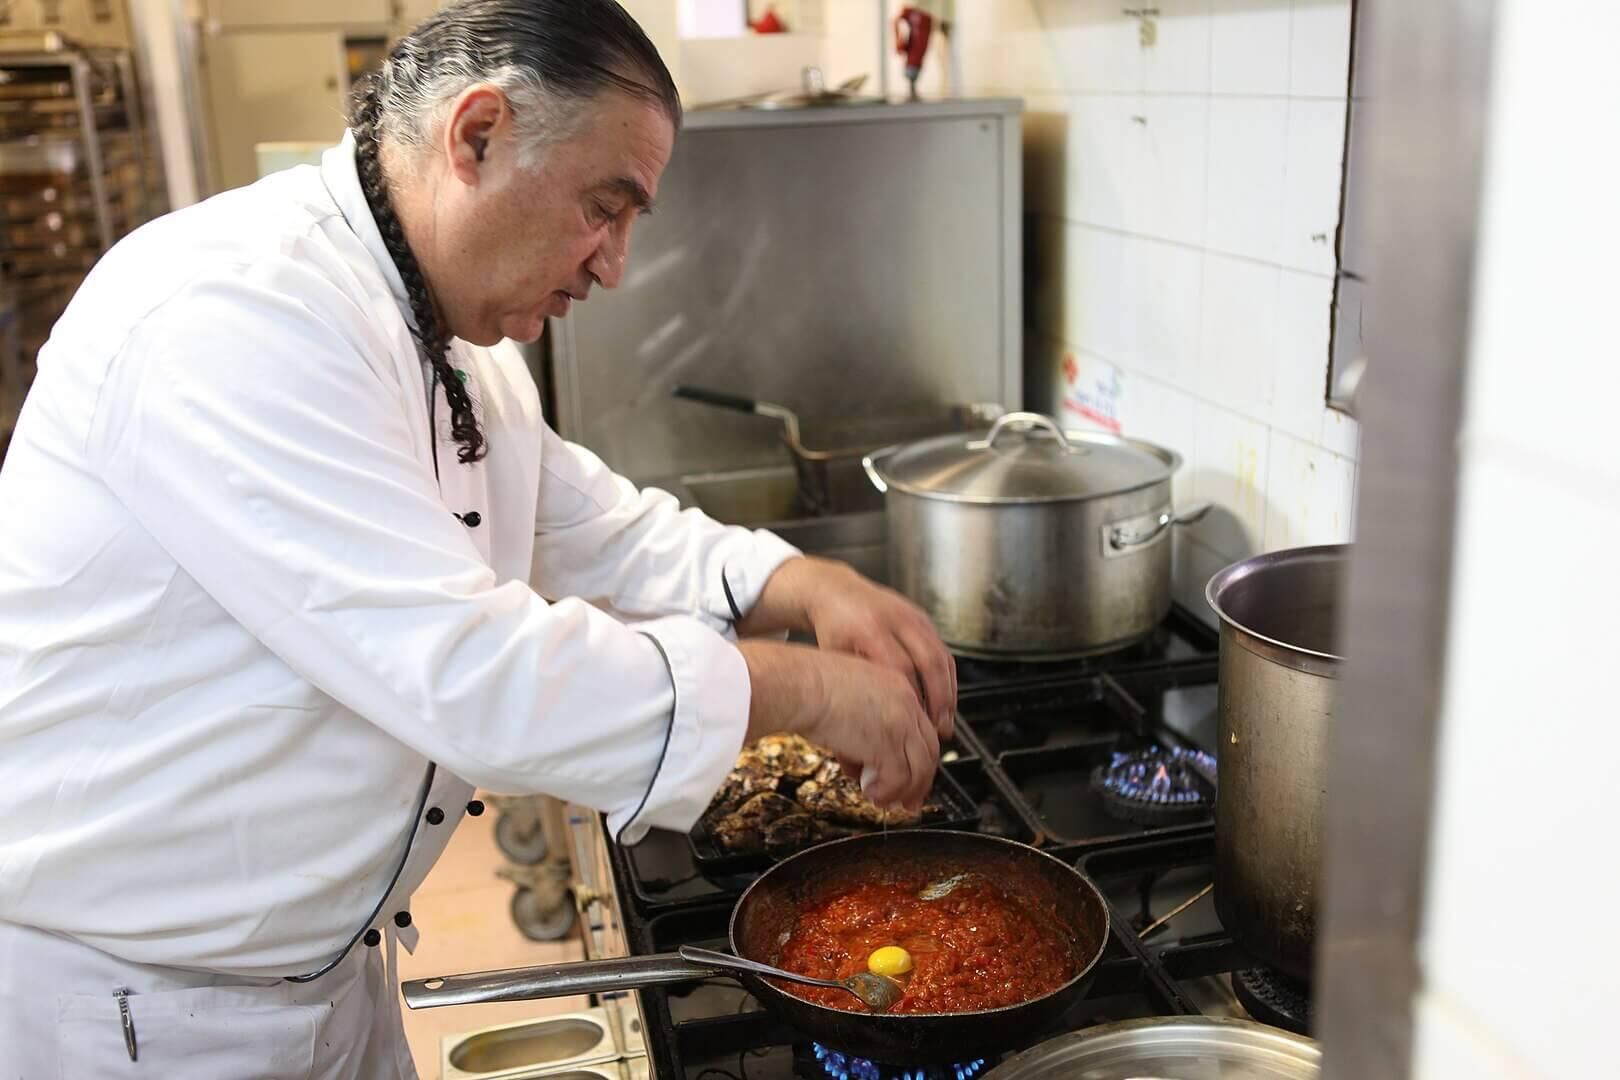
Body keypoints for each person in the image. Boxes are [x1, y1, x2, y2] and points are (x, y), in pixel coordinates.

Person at [0, 2, 956, 1075]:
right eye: (607, 207)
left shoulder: (452, 343)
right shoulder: (228, 313)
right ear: (478, 135)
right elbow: (469, 671)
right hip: (141, 1015)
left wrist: (800, 580)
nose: (616, 267)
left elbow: (591, 525)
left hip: (327, 971)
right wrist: (807, 690)